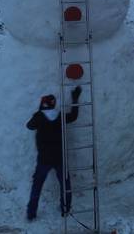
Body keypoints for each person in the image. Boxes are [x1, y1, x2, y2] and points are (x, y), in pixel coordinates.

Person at [26, 86, 81, 221]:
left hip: (44, 159)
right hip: (59, 157)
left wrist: (38, 114)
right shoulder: (60, 116)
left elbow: (29, 126)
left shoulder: (39, 117)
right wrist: (75, 99)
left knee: (37, 185)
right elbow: (73, 116)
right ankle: (65, 208)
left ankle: (31, 213)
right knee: (65, 184)